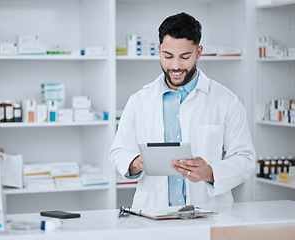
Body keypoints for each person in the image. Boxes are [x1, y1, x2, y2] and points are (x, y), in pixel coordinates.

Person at [109, 12, 255, 208]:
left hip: (208, 212)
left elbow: (245, 159)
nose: (175, 66)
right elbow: (119, 151)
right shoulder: (139, 100)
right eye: (168, 56)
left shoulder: (225, 100)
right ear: (159, 50)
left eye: (185, 57)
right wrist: (135, 163)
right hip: (153, 211)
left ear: (199, 52)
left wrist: (210, 172)